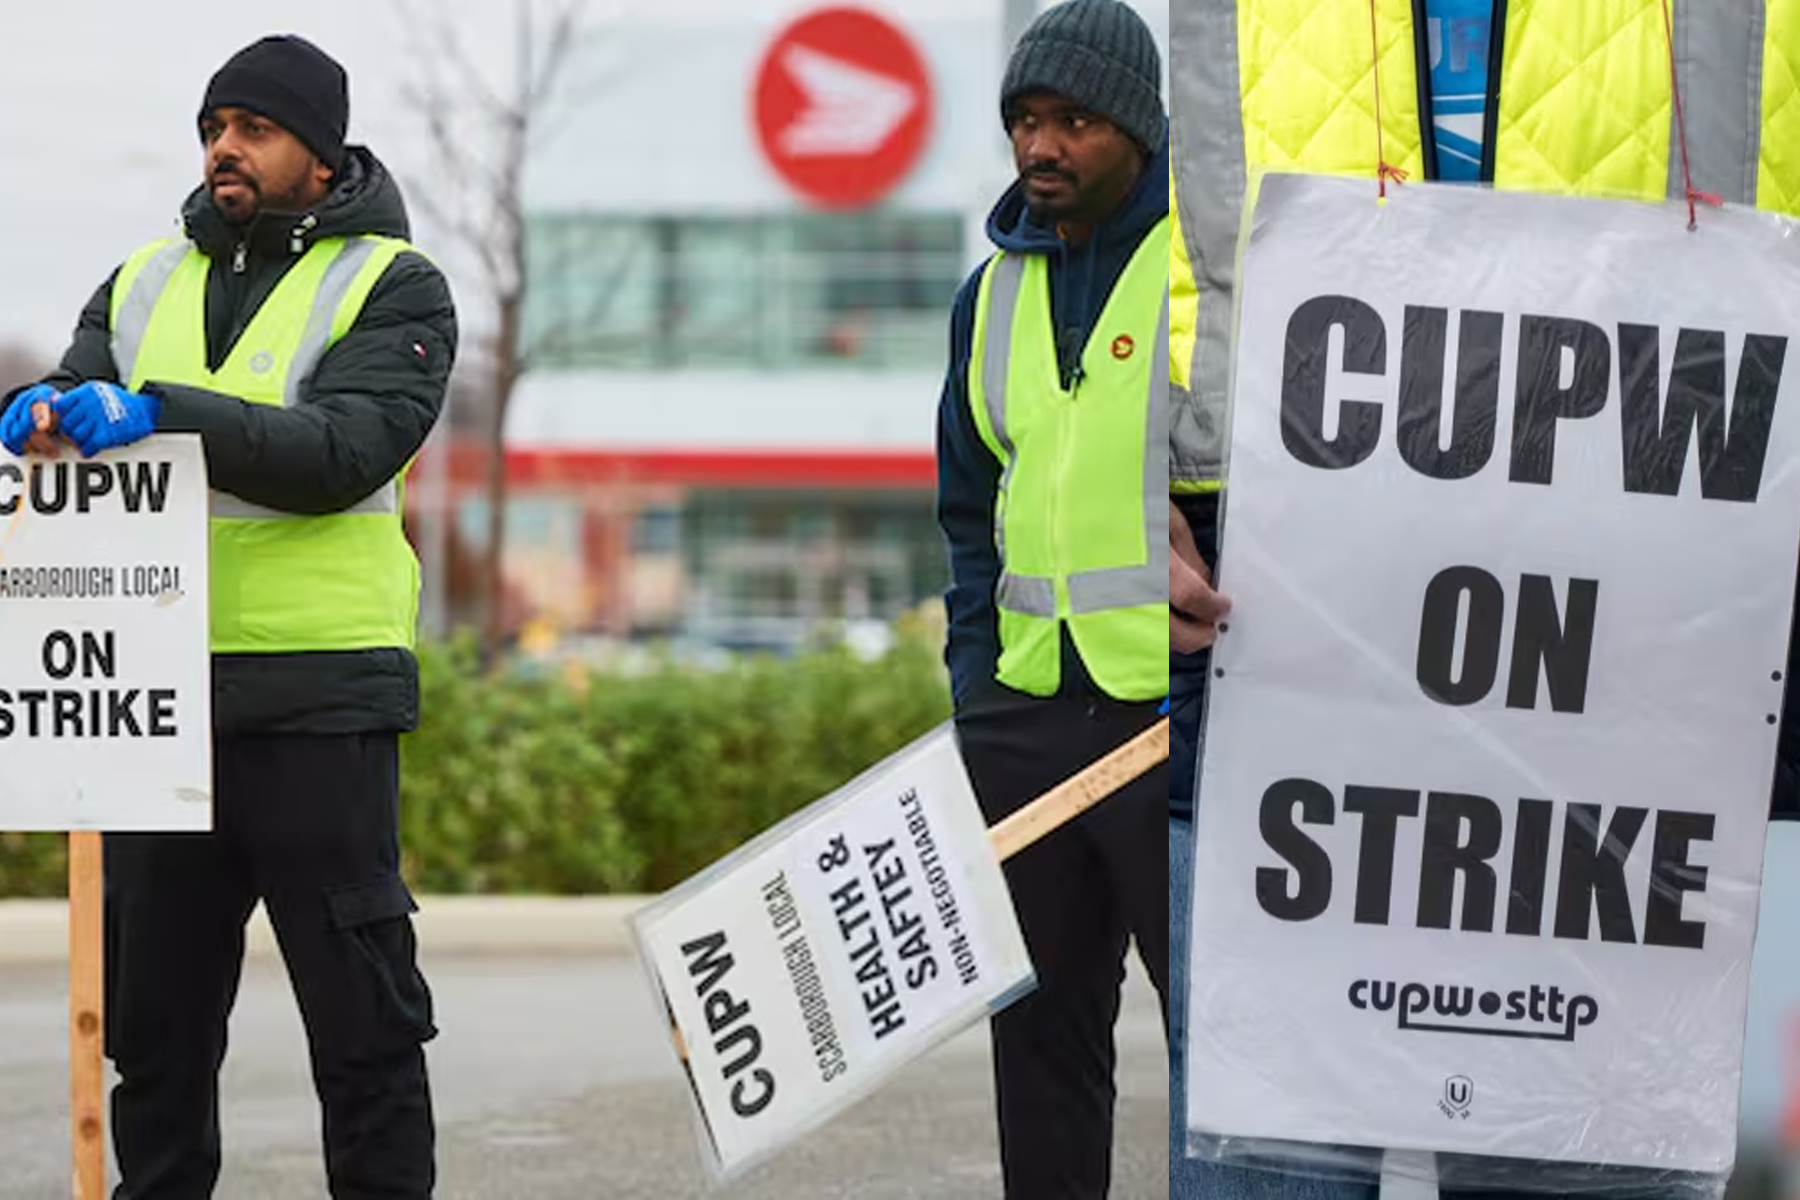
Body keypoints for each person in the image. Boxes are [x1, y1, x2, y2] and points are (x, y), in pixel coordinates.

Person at [1168, 1, 1800, 1197]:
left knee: (1587, 1145)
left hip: (1647, 704)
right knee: (1267, 1156)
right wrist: (1129, 494)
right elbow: (1128, 231)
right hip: (1276, 668)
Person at [0, 34, 454, 1199]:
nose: (224, 152)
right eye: (213, 129)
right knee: (153, 1047)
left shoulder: (394, 285)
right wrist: (36, 413)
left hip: (317, 705)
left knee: (364, 1036)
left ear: (320, 154)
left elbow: (344, 453)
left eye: (253, 130)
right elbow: (73, 394)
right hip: (155, 717)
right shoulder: (144, 278)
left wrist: (151, 410)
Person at [933, 1, 1168, 1195]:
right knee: (1039, 1040)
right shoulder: (989, 299)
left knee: (1224, 1042)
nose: (1041, 147)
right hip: (1027, 720)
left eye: (1072, 121)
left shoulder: (1204, 278)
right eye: (1026, 121)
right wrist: (976, 691)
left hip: (1177, 724)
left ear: (1134, 127)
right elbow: (969, 515)